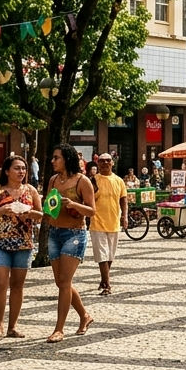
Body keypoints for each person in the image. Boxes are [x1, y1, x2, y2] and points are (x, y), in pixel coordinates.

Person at [0, 155, 40, 341]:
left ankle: (13, 326)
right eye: (17, 168)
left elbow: (42, 215)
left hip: (23, 243)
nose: (21, 172)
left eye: (23, 168)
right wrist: (0, 212)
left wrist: (29, 214)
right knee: (0, 283)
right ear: (7, 171)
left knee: (17, 286)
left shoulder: (30, 190)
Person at [44, 144, 95, 343]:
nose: (52, 161)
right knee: (61, 282)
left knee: (64, 281)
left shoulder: (83, 181)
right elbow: (49, 205)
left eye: (56, 157)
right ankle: (84, 315)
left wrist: (74, 205)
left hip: (74, 234)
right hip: (55, 233)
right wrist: (46, 210)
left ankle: (59, 329)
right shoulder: (53, 180)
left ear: (67, 158)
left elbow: (92, 211)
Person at [91, 154, 128, 295]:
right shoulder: (93, 180)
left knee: (110, 255)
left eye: (108, 161)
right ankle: (107, 285)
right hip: (97, 223)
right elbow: (88, 199)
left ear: (112, 163)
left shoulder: (119, 181)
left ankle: (103, 279)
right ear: (97, 163)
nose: (105, 163)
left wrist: (124, 217)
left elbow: (123, 200)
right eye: (101, 161)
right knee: (102, 255)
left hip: (114, 222)